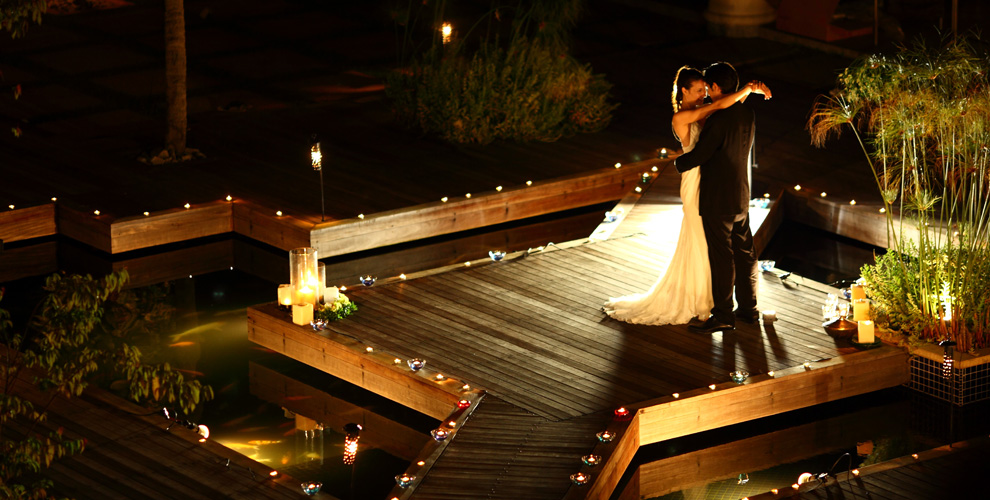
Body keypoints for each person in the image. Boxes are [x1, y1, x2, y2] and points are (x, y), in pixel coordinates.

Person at [603, 65, 770, 325]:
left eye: (706, 89)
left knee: (716, 247)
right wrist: (747, 90)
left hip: (714, 182)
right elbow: (720, 107)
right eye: (698, 90)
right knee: (709, 243)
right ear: (683, 91)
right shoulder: (684, 117)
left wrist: (747, 90)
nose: (704, 94)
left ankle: (716, 304)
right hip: (700, 182)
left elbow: (723, 108)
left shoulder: (719, 110)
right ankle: (711, 301)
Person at [675, 61, 766, 334]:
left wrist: (679, 164)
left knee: (722, 257)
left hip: (717, 198)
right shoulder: (747, 112)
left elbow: (701, 155)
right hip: (741, 194)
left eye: (707, 87)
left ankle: (724, 315)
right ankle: (749, 310)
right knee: (745, 253)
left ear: (715, 87)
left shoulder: (718, 119)